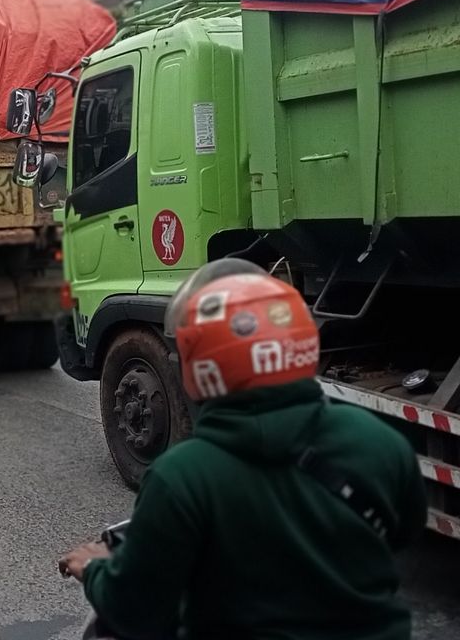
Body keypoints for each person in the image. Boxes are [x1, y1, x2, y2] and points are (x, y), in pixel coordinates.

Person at [59, 260, 426, 640]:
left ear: (199, 371)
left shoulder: (182, 478)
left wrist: (97, 569)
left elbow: (137, 612)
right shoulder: (381, 442)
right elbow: (402, 532)